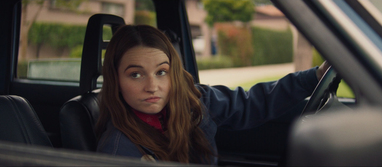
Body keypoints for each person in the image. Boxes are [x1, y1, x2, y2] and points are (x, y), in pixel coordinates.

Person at [96, 24, 330, 165]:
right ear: (116, 80)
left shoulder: (195, 102)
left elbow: (252, 103)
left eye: (161, 72)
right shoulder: (118, 149)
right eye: (136, 75)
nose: (152, 86)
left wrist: (314, 77)